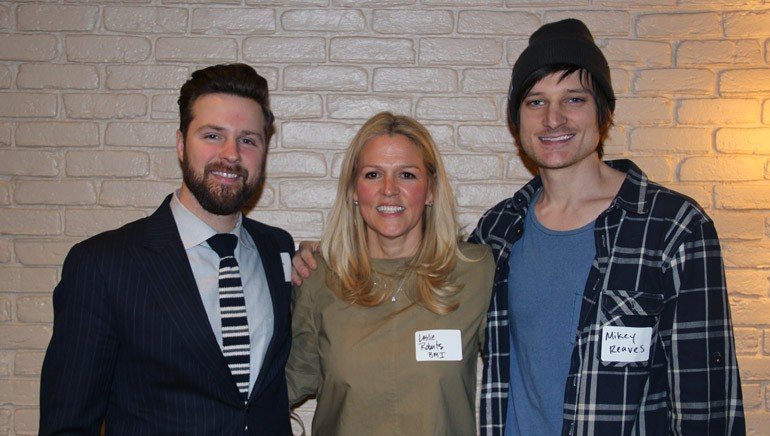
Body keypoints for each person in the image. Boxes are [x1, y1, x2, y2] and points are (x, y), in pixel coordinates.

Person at [292, 19, 745, 436]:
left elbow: (707, 400)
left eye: (574, 99)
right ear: (517, 119)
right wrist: (318, 258)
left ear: (604, 112)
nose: (553, 119)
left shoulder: (673, 229)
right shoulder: (499, 233)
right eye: (536, 102)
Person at [40, 63, 295, 435]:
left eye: (248, 139)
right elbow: (68, 424)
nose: (231, 154)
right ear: (180, 143)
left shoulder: (278, 250)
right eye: (212, 135)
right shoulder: (102, 265)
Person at [286, 112, 495, 435]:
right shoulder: (319, 277)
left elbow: (523, 372)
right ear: (353, 190)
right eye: (372, 175)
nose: (389, 190)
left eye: (407, 175)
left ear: (431, 190)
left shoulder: (476, 272)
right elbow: (286, 383)